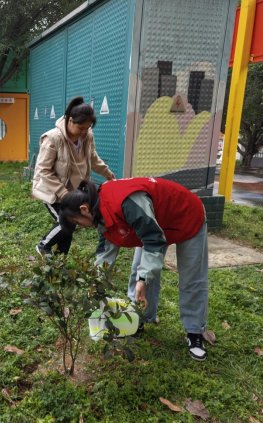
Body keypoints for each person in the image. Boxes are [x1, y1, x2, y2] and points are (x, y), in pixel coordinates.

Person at [58, 178, 209, 361]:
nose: (81, 226)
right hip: (153, 223)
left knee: (191, 277)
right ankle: (140, 318)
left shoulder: (127, 202)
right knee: (139, 271)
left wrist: (143, 279)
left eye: (78, 222)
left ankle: (194, 332)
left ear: (84, 209)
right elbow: (105, 254)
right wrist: (95, 284)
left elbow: (154, 240)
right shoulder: (98, 210)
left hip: (185, 215)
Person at [32, 96, 115, 255]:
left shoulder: (87, 136)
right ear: (70, 120)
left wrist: (108, 174)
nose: (84, 132)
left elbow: (93, 158)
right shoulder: (53, 138)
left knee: (70, 225)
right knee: (66, 222)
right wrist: (63, 193)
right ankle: (43, 246)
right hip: (52, 191)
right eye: (81, 128)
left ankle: (59, 260)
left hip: (74, 192)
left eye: (88, 128)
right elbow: (43, 171)